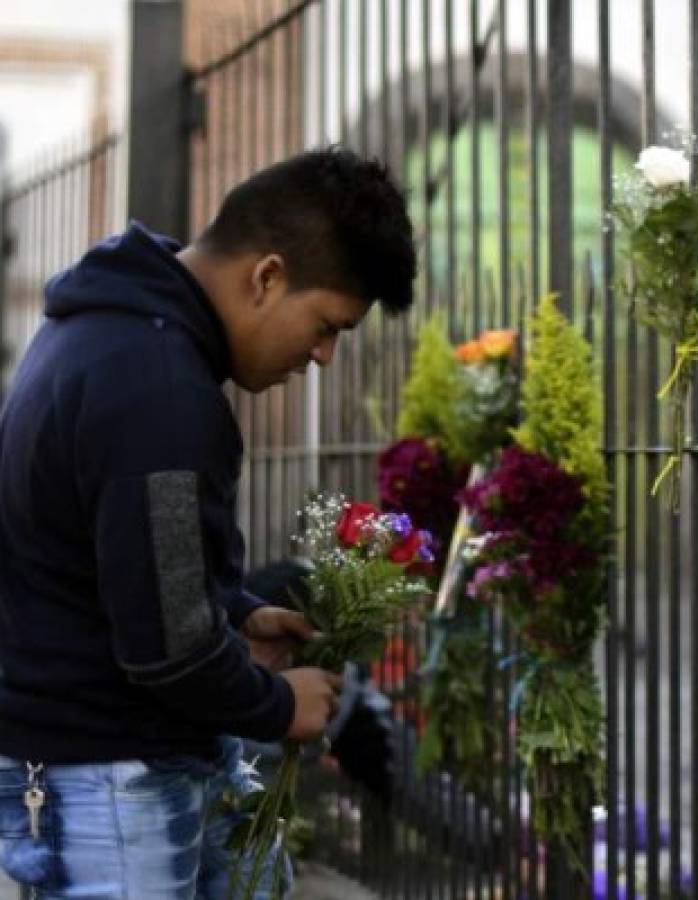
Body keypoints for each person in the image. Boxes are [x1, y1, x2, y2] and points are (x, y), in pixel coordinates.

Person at [0, 147, 417, 898]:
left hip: (92, 761)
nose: (322, 356)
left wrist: (238, 611)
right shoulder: (156, 389)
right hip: (110, 781)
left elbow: (112, 562)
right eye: (326, 325)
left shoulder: (109, 336)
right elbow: (167, 649)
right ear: (267, 277)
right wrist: (281, 704)